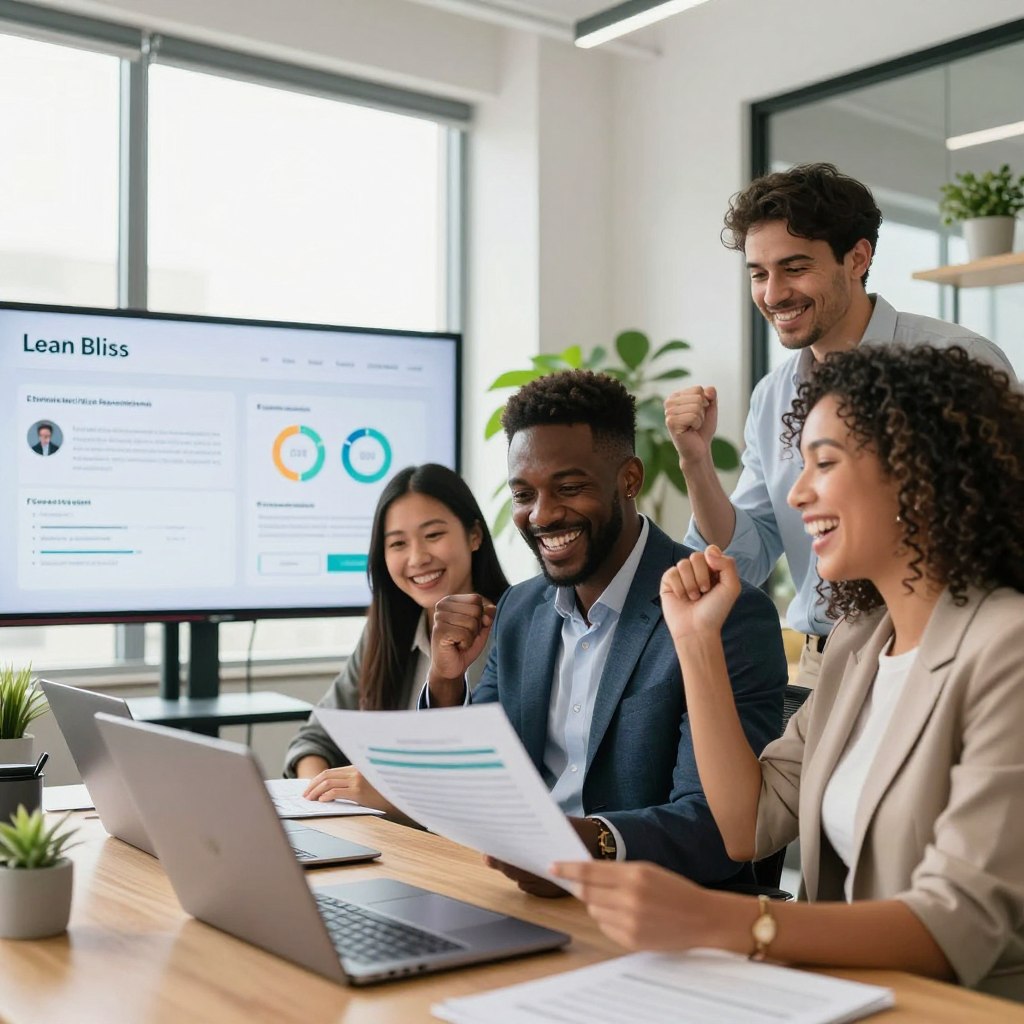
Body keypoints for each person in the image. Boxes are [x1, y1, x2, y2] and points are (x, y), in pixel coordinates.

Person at [556, 345, 1024, 1001]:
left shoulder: (1008, 649)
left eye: (823, 463)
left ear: (919, 475)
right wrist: (695, 643)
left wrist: (723, 920)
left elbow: (957, 923)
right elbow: (748, 824)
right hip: (841, 999)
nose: (797, 493)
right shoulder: (859, 642)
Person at [424, 370, 788, 894]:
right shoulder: (521, 610)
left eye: (569, 488)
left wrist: (588, 845)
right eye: (524, 494)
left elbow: (716, 825)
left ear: (630, 479)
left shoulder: (723, 613)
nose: (542, 514)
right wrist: (445, 684)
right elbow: (482, 777)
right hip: (522, 892)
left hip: (659, 908)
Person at [663, 162, 1015, 687]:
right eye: (759, 274)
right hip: (821, 663)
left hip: (942, 652)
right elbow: (748, 558)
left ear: (858, 257)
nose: (773, 293)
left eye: (795, 267)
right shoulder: (773, 395)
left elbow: (1006, 526)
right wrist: (695, 462)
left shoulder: (957, 361)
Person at [283, 463, 509, 811]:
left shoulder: (514, 631)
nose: (417, 558)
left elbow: (491, 784)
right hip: (385, 840)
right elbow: (315, 739)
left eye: (433, 535)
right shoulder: (386, 633)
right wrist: (319, 798)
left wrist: (392, 797)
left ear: (474, 535)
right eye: (398, 543)